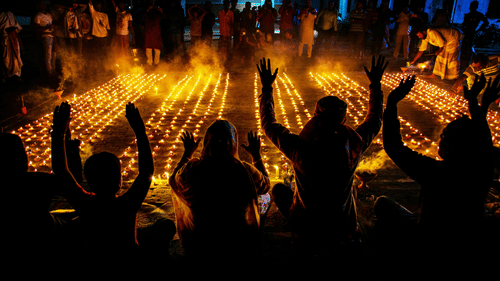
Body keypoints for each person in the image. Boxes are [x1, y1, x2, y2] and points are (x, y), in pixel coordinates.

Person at [257, 55, 386, 256]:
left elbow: (269, 125)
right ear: (343, 118)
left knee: (280, 190)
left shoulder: (299, 147)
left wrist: (267, 89)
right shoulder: (354, 143)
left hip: (307, 228)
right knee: (349, 187)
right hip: (343, 227)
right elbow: (375, 120)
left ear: (316, 115)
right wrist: (375, 86)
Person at [376, 73, 498, 270]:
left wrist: (391, 102)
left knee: (383, 203)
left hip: (431, 242)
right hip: (469, 237)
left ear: (453, 145)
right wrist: (475, 102)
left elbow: (393, 146)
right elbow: (482, 137)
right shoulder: (483, 167)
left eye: (445, 135)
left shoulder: (437, 174)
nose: (441, 137)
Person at [51, 101, 159, 272]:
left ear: (88, 181)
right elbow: (146, 172)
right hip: (127, 262)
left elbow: (61, 171)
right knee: (163, 227)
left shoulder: (85, 205)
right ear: (119, 182)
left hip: (95, 262)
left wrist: (58, 132)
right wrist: (139, 130)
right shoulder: (126, 205)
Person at [168, 123, 271, 272]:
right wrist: (256, 155)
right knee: (266, 197)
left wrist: (187, 153)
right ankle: (255, 232)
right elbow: (265, 185)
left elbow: (174, 180)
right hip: (236, 240)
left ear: (207, 143)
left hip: (201, 239)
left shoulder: (192, 169)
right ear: (233, 143)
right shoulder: (244, 170)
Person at [461, 1, 488, 66]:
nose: (470, 7)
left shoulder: (479, 15)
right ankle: (464, 58)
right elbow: (464, 24)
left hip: (472, 32)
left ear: (475, 7)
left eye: (472, 6)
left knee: (470, 45)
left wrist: (478, 30)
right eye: (470, 6)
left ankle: (469, 59)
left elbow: (486, 23)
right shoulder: (468, 15)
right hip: (466, 32)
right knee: (464, 45)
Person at [34, 0, 56, 78]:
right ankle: (49, 72)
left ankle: (53, 70)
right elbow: (36, 28)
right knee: (48, 55)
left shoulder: (49, 15)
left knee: (53, 54)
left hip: (52, 36)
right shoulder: (38, 16)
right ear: (38, 6)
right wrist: (47, 27)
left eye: (44, 4)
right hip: (45, 36)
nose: (43, 6)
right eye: (41, 4)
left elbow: (52, 25)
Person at [0, 6, 23, 82]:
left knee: (16, 57)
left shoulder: (10, 14)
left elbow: (17, 26)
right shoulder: (1, 15)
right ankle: (5, 75)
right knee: (6, 58)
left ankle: (16, 74)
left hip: (13, 37)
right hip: (5, 39)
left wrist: (13, 30)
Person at [88, 0, 110, 68]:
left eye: (99, 4)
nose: (98, 6)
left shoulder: (105, 15)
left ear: (101, 5)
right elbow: (90, 5)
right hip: (96, 36)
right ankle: (97, 66)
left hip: (104, 36)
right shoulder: (94, 13)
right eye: (97, 4)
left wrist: (108, 35)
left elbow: (107, 27)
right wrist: (90, 3)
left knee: (103, 53)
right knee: (96, 52)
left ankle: (103, 66)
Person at [143, 0, 163, 68]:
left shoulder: (157, 12)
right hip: (149, 33)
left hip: (156, 33)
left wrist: (161, 12)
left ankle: (156, 63)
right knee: (149, 48)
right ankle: (150, 63)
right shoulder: (147, 12)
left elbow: (163, 17)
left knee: (156, 49)